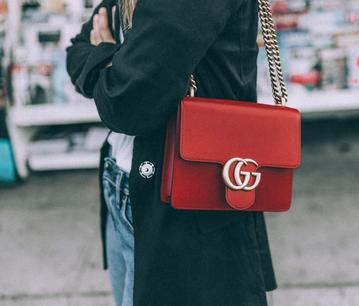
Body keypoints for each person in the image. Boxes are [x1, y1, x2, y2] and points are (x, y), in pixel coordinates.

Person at [66, 0, 277, 305]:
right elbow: (78, 47)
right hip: (126, 185)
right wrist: (111, 67)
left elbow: (127, 105)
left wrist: (105, 58)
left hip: (183, 197)